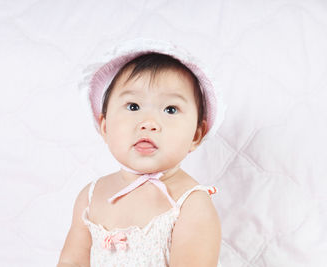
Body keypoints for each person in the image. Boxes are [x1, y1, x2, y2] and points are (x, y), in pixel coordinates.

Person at [57, 38, 227, 267]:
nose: (148, 123)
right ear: (105, 127)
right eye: (133, 106)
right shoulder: (91, 196)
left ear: (196, 135)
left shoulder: (191, 205)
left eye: (170, 109)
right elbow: (71, 262)